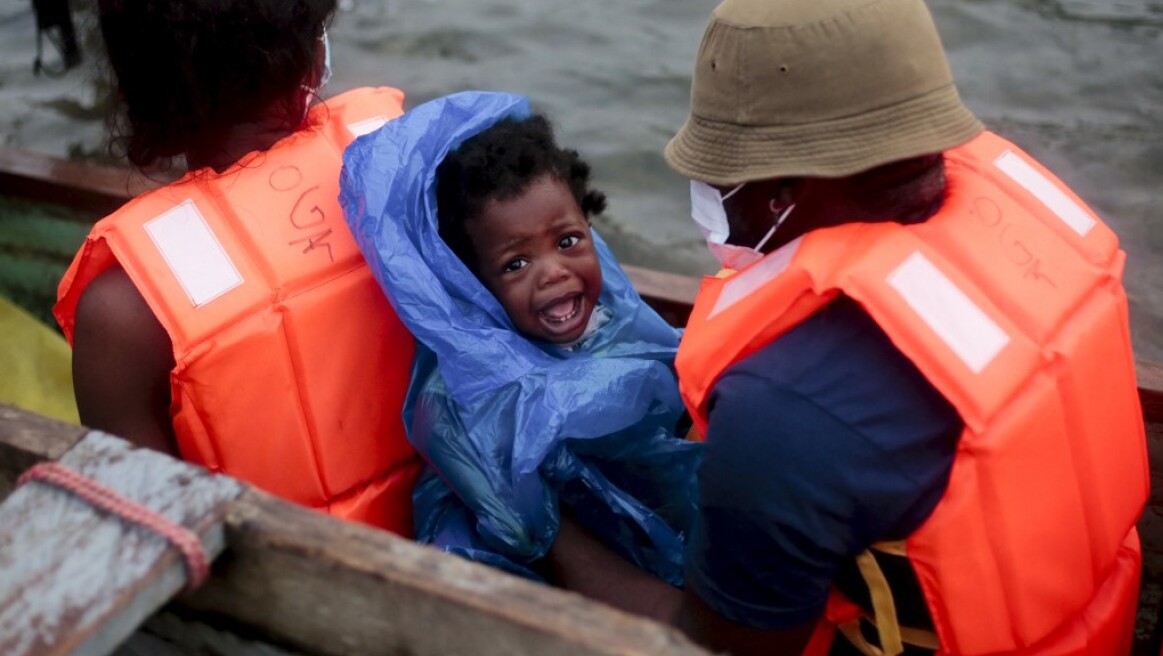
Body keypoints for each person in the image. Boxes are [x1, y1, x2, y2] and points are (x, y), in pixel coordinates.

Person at [658, 0, 1149, 654]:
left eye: (715, 176)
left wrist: (557, 535)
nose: (708, 195)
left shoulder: (783, 413)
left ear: (777, 191)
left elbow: (713, 648)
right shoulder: (1028, 248)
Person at [53, 0, 421, 535]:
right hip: (468, 551)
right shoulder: (410, 167)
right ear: (315, 61)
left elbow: (141, 532)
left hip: (285, 601)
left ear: (138, 97)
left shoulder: (123, 313)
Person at [339, 91, 702, 611]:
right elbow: (521, 530)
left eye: (568, 241)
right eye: (515, 264)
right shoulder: (453, 400)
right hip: (518, 553)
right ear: (473, 285)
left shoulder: (608, 313)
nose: (553, 270)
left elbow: (663, 374)